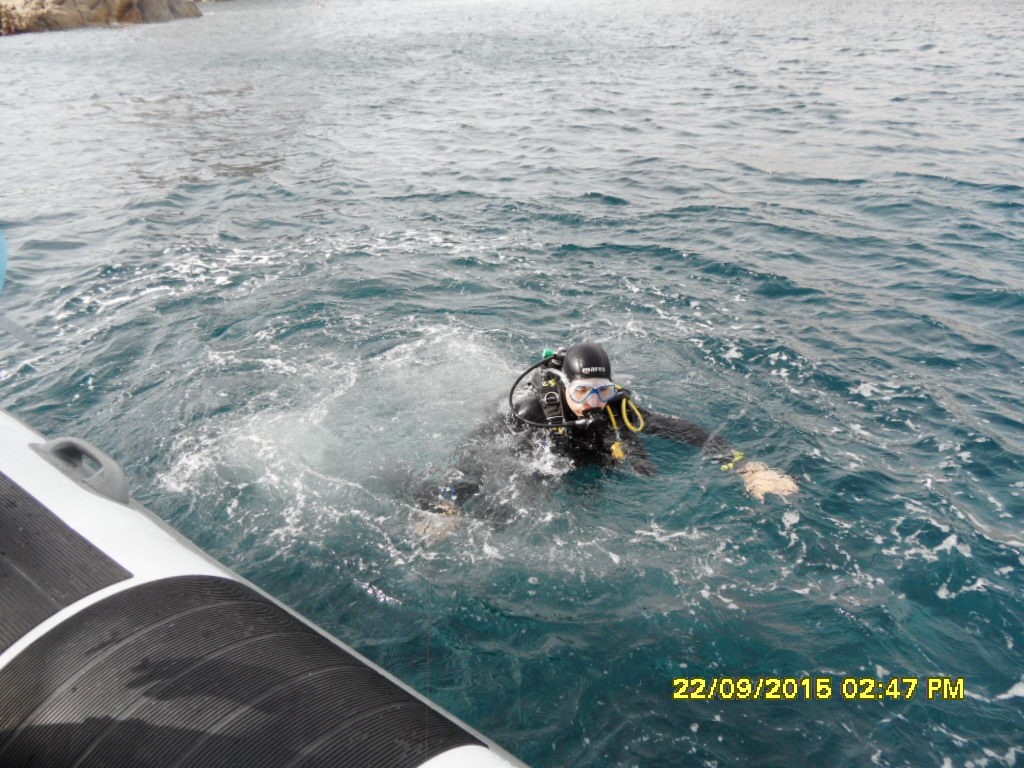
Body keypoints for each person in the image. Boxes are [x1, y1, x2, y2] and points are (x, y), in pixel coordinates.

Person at [419, 342, 798, 521]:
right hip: (538, 456)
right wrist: (448, 505)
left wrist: (748, 467)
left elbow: (688, 432)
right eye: (582, 392)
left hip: (588, 460)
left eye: (603, 391)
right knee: (508, 510)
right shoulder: (531, 411)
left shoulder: (617, 410)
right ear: (565, 387)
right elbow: (474, 449)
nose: (594, 402)